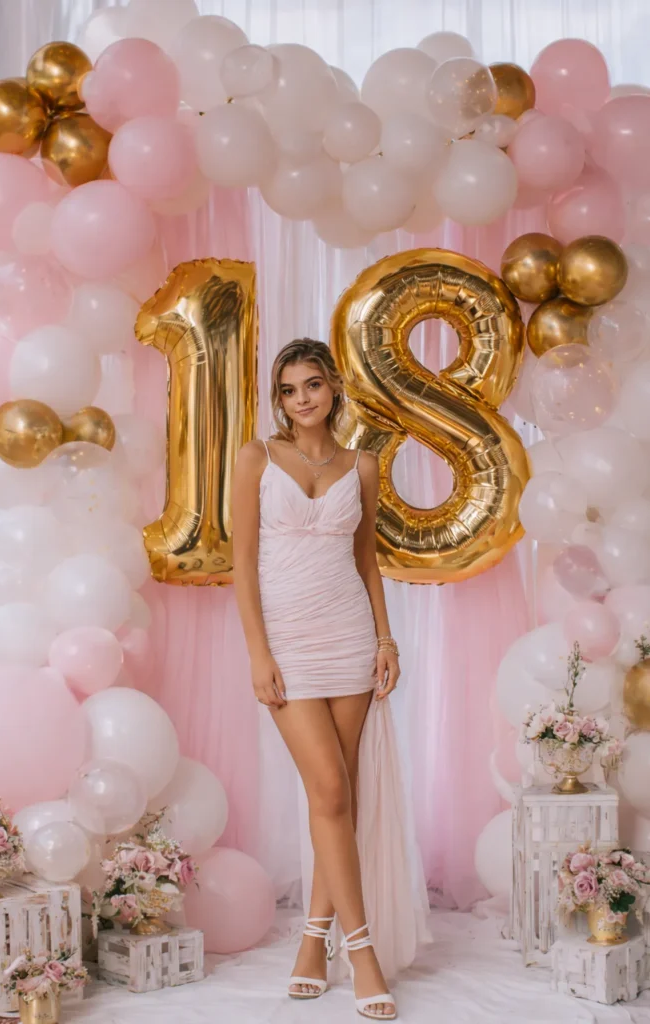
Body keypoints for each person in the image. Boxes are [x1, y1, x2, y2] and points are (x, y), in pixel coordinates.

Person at [232, 338, 427, 1021]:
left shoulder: (361, 465)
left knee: (338, 800)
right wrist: (259, 654)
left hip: (348, 637)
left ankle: (313, 942)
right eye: (288, 390)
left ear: (332, 388)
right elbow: (243, 564)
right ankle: (362, 950)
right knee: (327, 790)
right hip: (287, 641)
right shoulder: (255, 458)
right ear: (278, 399)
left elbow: (366, 559)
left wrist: (385, 639)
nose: (301, 399)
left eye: (311, 385)